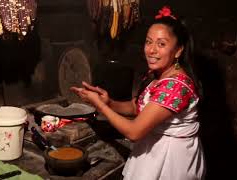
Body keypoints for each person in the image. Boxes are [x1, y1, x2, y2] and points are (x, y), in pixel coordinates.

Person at [70, 6, 205, 180]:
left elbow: (134, 132)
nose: (151, 50)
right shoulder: (157, 74)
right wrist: (109, 102)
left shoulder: (176, 86)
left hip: (170, 160)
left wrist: (100, 106)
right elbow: (138, 107)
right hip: (152, 150)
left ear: (178, 50)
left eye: (161, 44)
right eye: (149, 42)